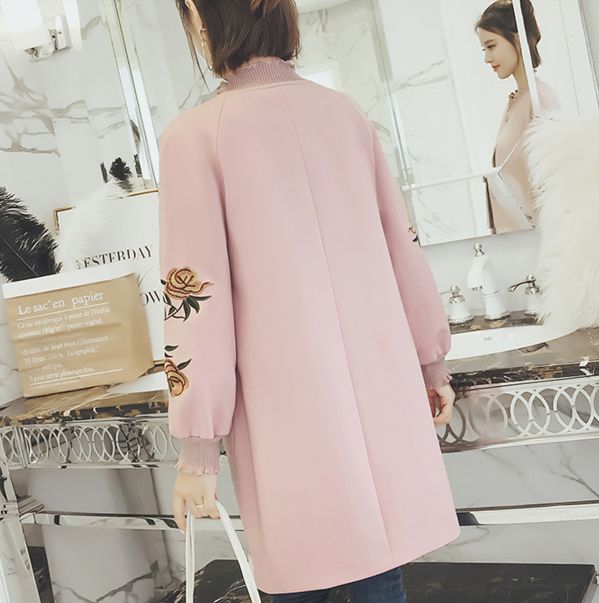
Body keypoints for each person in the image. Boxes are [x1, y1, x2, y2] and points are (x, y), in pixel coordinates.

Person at [158, 0, 460, 600]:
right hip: (378, 404)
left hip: (283, 421)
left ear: (200, 16)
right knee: (380, 565)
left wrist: (198, 452)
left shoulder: (193, 137)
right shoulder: (343, 114)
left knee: (301, 575)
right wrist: (431, 366)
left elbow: (194, 301)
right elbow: (402, 252)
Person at [476, 0, 561, 233]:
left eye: (491, 46)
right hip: (517, 245)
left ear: (517, 38)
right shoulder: (517, 103)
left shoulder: (539, 100)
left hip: (539, 242)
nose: (486, 58)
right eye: (484, 49)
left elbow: (556, 185)